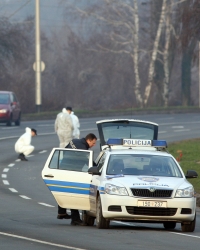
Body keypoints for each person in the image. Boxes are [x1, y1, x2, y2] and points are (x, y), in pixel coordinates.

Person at [57, 133, 97, 226]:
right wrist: (98, 169)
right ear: (89, 140)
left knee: (64, 191)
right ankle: (75, 219)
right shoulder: (83, 149)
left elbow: (65, 150)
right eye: (93, 143)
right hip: (71, 172)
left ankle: (61, 212)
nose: (93, 145)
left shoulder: (74, 141)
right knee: (73, 193)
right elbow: (88, 161)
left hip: (63, 168)